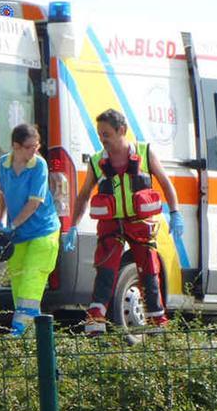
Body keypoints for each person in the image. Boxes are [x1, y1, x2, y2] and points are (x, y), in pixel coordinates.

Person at [68, 109, 184, 334]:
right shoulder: (96, 162)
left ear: (122, 131)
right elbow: (83, 195)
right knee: (106, 270)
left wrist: (175, 212)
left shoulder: (144, 152)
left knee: (149, 269)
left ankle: (156, 321)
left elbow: (165, 182)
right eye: (100, 134)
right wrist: (73, 225)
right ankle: (96, 320)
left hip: (140, 222)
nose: (102, 139)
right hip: (111, 224)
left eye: (107, 134)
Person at [0, 123, 75, 337]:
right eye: (30, 147)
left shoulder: (38, 165)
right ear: (16, 146)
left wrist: (11, 225)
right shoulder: (3, 164)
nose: (35, 150)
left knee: (32, 280)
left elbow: (34, 203)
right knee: (19, 284)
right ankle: (35, 340)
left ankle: (18, 332)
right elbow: (3, 194)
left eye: (37, 146)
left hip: (43, 232)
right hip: (19, 235)